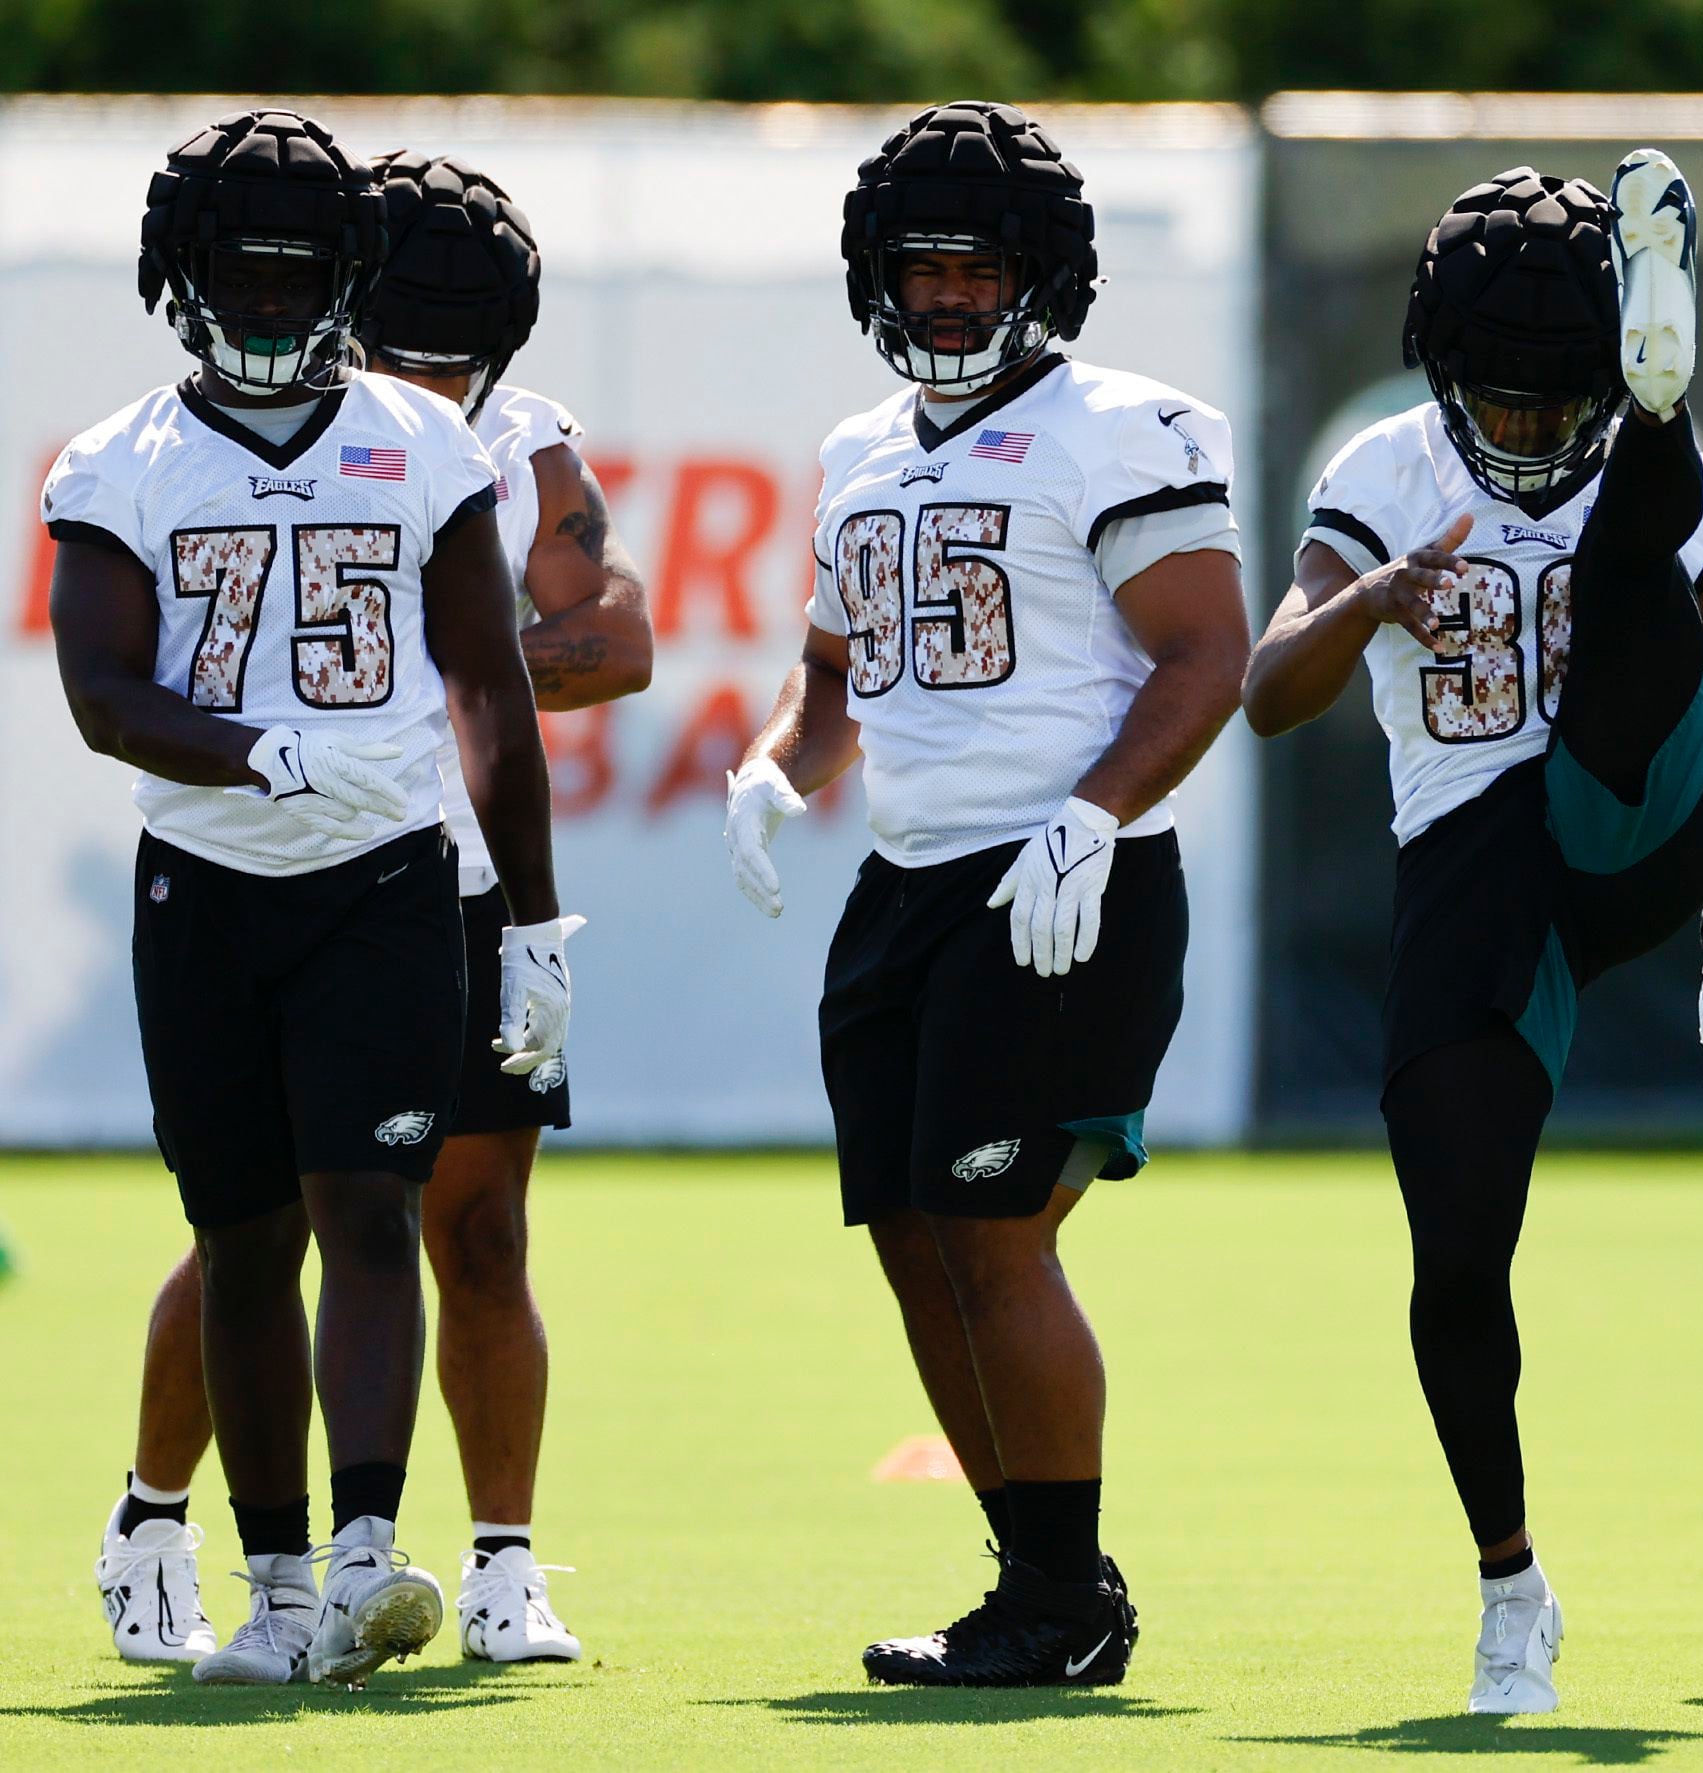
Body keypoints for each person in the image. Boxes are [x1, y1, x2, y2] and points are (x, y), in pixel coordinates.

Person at [1243, 155, 1703, 1714]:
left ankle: (1667, 394)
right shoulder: (1388, 474)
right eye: (1501, 403)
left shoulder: (1661, 486)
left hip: (1630, 819)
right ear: (1444, 374)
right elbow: (1265, 691)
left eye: (1559, 400)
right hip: (1471, 865)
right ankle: (1511, 1585)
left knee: (1633, 570)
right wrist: (1368, 600)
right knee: (1456, 1255)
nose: (1524, 432)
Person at [91, 149, 650, 1671]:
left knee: (467, 1233)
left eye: (455, 356)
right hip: (270, 861)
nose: (427, 374)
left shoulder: (513, 445)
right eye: (406, 342)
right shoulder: (226, 425)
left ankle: (499, 1564)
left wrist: (409, 695)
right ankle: (152, 1517)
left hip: (443, 880)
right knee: (248, 1233)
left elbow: (620, 639)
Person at [724, 100, 1249, 1687]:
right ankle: (1035, 1583)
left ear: (1042, 275)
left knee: (991, 1230)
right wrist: (773, 770)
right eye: (921, 265)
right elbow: (829, 682)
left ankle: (1066, 1595)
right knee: (910, 1238)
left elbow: (1207, 654)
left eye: (976, 265)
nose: (946, 295)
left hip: (1060, 880)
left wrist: (1092, 817)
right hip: (906, 885)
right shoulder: (858, 449)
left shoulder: (1129, 425)